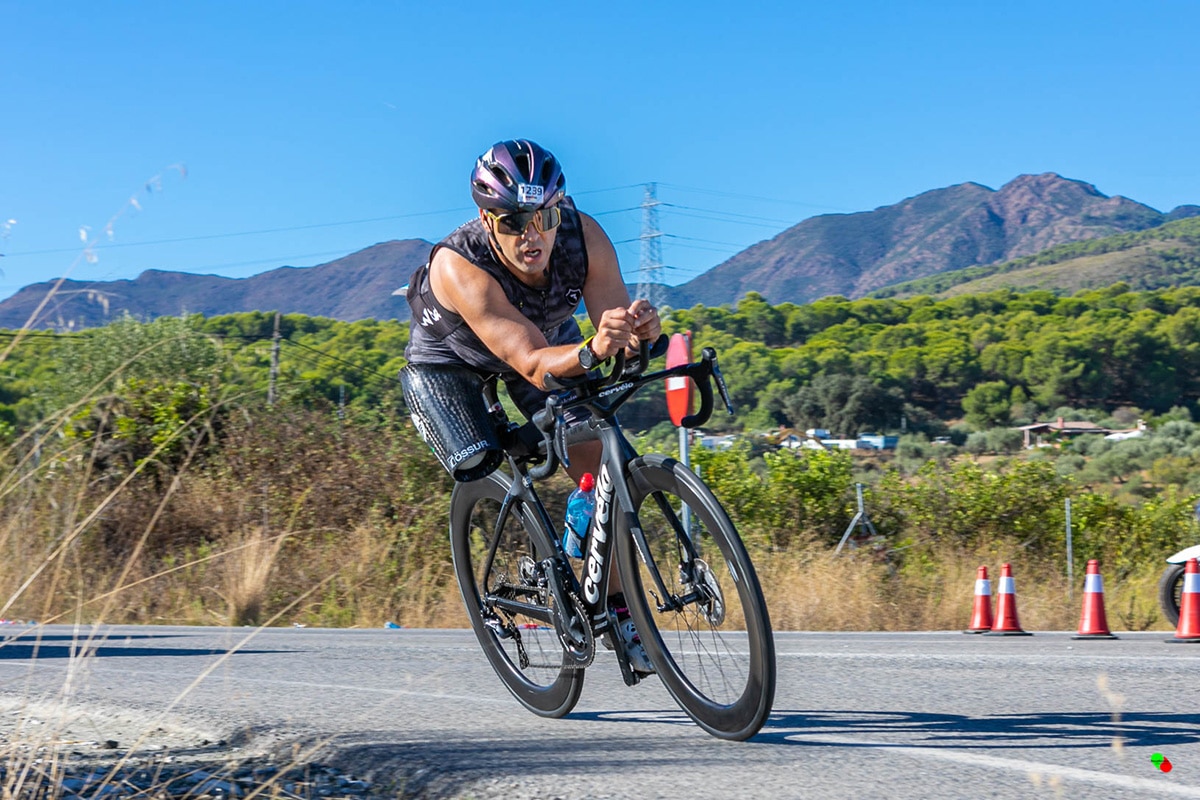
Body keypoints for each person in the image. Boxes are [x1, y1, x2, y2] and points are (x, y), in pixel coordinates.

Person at [404, 139, 661, 673]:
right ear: (485, 217)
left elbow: (613, 325)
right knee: (482, 461)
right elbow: (528, 362)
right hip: (453, 364)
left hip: (548, 340)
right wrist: (591, 349)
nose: (532, 235)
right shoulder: (458, 264)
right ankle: (523, 574)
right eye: (513, 221)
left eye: (544, 216)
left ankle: (615, 606)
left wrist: (637, 333)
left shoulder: (582, 235)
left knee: (595, 454)